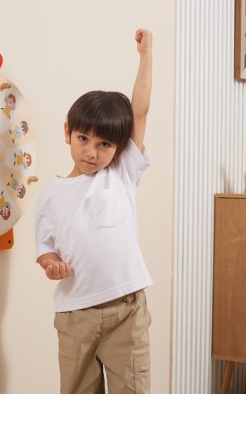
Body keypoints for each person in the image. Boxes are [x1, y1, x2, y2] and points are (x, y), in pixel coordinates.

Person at [35, 29, 153, 394]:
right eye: (83, 139)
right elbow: (45, 247)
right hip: (75, 316)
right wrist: (51, 263)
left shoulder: (121, 173)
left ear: (118, 149)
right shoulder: (51, 195)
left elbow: (140, 110)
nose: (91, 151)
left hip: (126, 311)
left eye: (104, 144)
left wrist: (146, 56)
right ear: (67, 133)